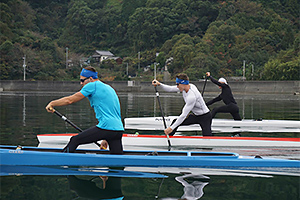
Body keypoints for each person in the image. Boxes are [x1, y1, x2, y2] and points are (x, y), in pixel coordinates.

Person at [45, 66, 124, 154]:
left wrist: (52, 103)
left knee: (75, 140)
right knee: (116, 158)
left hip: (106, 127)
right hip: (118, 130)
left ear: (90, 79)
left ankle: (60, 162)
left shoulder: (92, 85)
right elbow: (114, 113)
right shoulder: (109, 88)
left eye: (82, 80)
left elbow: (70, 100)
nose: (81, 83)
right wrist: (106, 138)